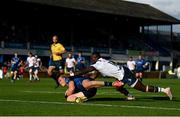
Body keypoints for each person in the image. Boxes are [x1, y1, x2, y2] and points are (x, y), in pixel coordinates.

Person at [62, 52, 173, 100]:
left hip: (124, 74)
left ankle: (164, 90)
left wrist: (70, 74)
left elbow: (84, 71)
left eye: (92, 58)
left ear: (95, 58)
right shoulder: (102, 61)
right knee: (118, 86)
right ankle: (129, 96)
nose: (91, 59)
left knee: (142, 88)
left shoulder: (98, 63)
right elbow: (98, 72)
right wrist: (92, 79)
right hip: (122, 72)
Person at [57, 74, 129, 103]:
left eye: (60, 80)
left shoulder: (68, 79)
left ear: (64, 78)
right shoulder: (70, 82)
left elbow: (72, 88)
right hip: (89, 92)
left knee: (87, 84)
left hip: (88, 87)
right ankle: (78, 99)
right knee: (69, 97)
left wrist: (68, 95)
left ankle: (112, 83)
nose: (59, 82)